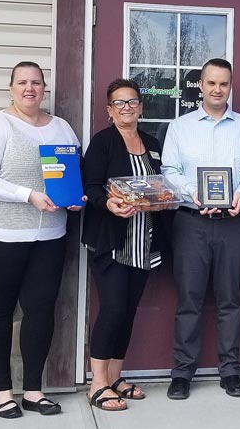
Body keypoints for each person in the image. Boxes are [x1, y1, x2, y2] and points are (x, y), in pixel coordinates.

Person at [0, 61, 83, 419]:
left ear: (44, 88)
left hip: (49, 233)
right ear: (11, 88)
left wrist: (77, 197)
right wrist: (28, 195)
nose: (29, 88)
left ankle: (33, 389)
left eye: (36, 82)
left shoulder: (62, 128)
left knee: (40, 310)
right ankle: (3, 392)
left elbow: (71, 173)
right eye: (22, 83)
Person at [161, 58, 240, 400]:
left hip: (234, 222)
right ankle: (182, 373)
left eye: (224, 84)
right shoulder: (181, 127)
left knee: (229, 300)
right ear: (201, 86)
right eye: (211, 83)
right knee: (189, 299)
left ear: (230, 87)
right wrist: (192, 193)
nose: (217, 89)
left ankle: (230, 371)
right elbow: (169, 170)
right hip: (191, 223)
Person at [82, 78, 169, 411]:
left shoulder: (150, 142)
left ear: (141, 107)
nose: (127, 107)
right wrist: (109, 204)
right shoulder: (103, 142)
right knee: (113, 309)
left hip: (144, 242)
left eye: (132, 102)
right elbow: (91, 186)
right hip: (112, 242)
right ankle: (97, 383)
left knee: (128, 312)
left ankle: (116, 377)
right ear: (109, 110)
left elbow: (160, 185)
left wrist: (163, 199)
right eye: (119, 103)